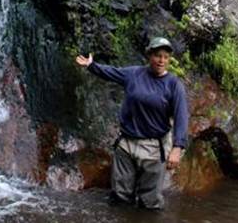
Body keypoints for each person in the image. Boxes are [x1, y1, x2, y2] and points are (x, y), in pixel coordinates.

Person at [76, 36, 189, 209]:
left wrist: (177, 147)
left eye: (166, 57)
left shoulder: (174, 85)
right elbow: (111, 73)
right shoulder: (134, 73)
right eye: (158, 55)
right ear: (149, 55)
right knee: (120, 197)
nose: (162, 60)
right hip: (126, 145)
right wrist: (92, 65)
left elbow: (181, 116)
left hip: (154, 148)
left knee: (149, 202)